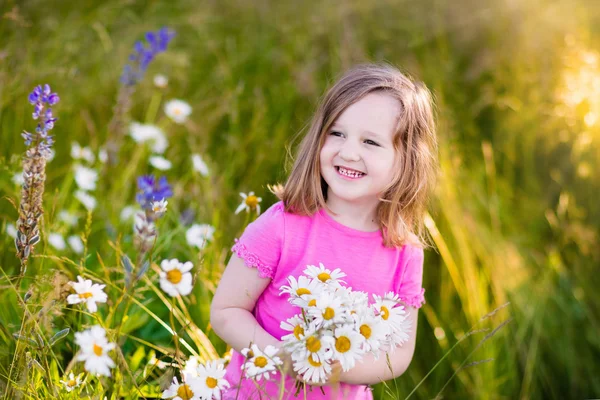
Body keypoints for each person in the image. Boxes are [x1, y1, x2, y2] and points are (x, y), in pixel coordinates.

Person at [210, 63, 438, 399]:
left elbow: (398, 354)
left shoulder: (404, 252)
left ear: (407, 161)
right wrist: (282, 356)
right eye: (337, 133)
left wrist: (338, 368)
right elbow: (226, 311)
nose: (348, 152)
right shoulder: (282, 226)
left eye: (371, 142)